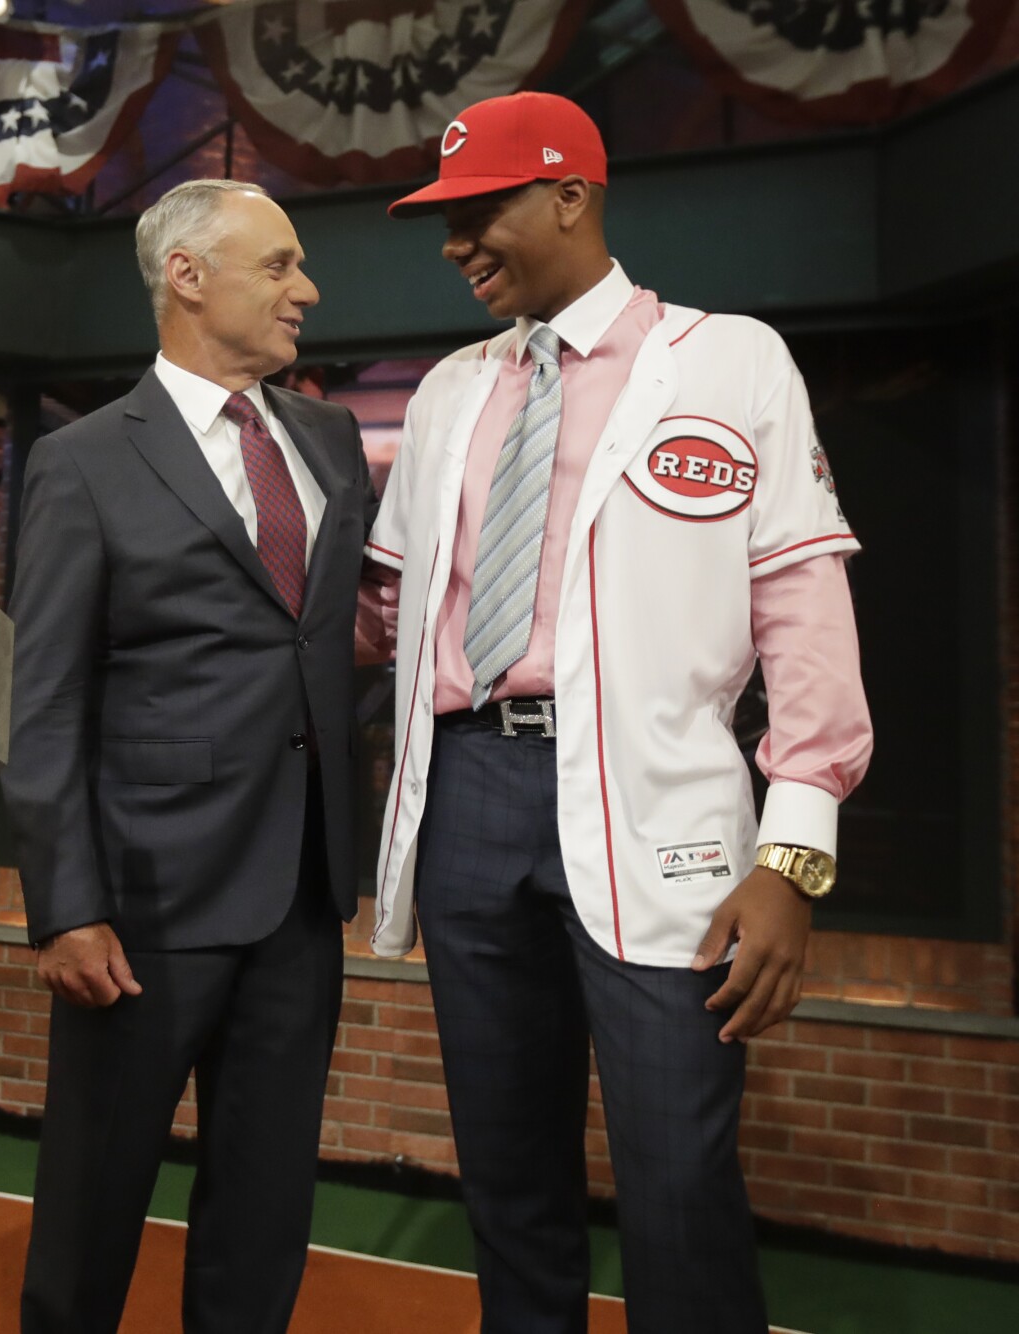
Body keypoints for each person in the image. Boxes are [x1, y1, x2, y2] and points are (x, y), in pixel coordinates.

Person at [358, 92, 872, 1333]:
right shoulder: (443, 394)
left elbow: (802, 614)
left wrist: (791, 855)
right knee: (507, 1169)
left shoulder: (727, 356)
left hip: (664, 811)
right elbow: (387, 614)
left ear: (567, 196)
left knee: (678, 1175)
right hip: (469, 799)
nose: (451, 244)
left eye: (474, 213)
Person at [4, 178, 379, 1333]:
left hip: (301, 898)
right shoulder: (80, 461)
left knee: (264, 1211)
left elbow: (326, 640)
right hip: (142, 909)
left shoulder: (327, 437)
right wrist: (65, 905)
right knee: (90, 1206)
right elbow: (47, 698)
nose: (304, 289)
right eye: (277, 265)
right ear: (185, 275)